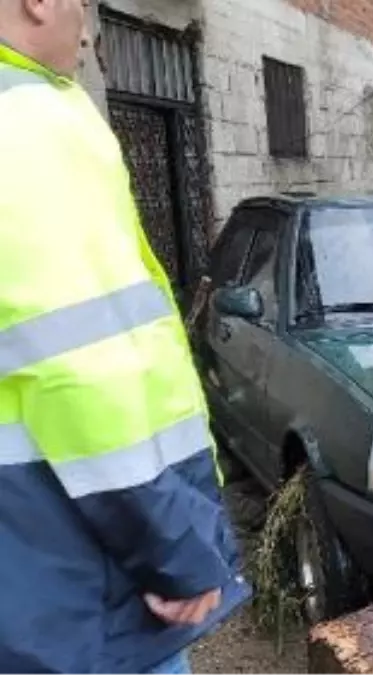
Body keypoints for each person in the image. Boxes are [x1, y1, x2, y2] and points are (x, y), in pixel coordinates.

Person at [0, 1, 251, 673]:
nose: (87, 33)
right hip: (83, 593)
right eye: (83, 5)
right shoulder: (30, 123)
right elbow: (78, 371)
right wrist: (174, 551)